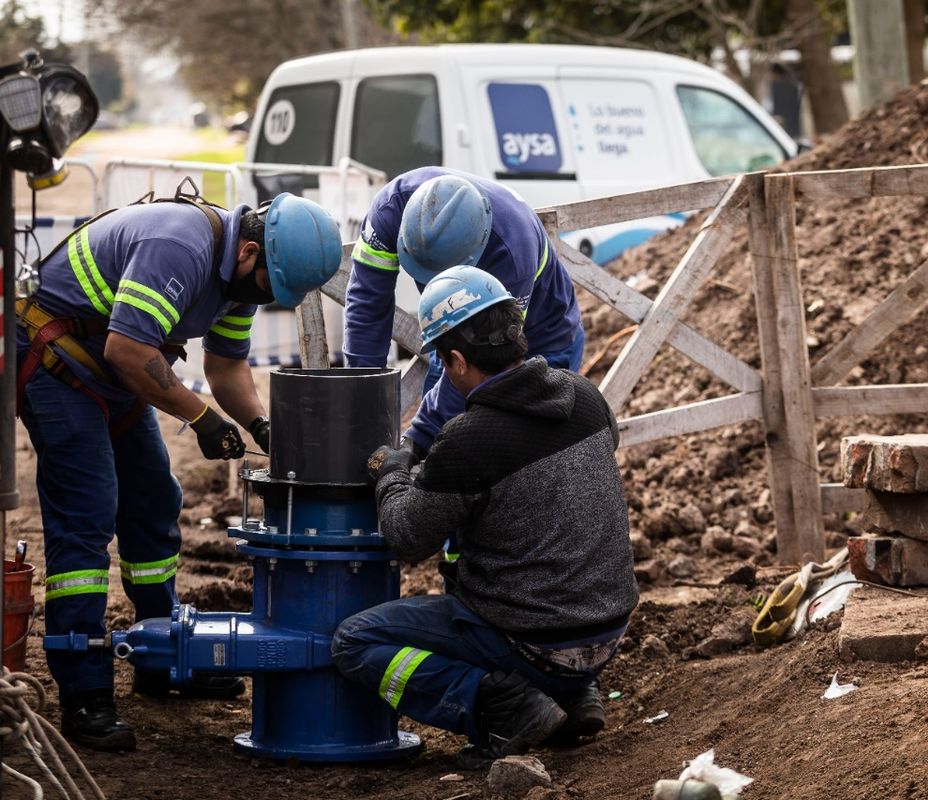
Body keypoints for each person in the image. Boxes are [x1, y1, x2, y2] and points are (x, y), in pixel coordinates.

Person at [18, 190, 342, 752]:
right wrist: (203, 420)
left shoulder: (241, 275)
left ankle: (160, 655)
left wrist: (261, 426)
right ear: (247, 252)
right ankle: (83, 689)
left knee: (152, 500)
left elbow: (225, 364)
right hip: (56, 362)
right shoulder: (179, 245)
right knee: (88, 513)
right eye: (268, 287)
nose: (264, 299)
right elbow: (127, 349)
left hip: (115, 372)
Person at [332, 266, 637, 769]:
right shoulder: (585, 396)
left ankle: (505, 707)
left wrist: (392, 473)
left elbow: (406, 536)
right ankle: (576, 695)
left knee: (356, 641)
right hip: (607, 631)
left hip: (534, 642)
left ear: (455, 360)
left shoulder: (471, 440)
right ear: (517, 333)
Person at [343, 166, 584, 458]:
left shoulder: (510, 252)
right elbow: (367, 303)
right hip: (455, 327)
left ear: (473, 256)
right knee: (442, 456)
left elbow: (490, 361)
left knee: (514, 462)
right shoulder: (390, 209)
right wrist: (363, 394)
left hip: (540, 342)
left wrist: (417, 442)